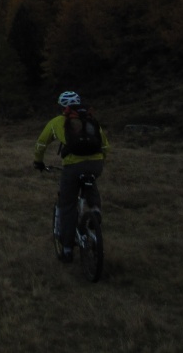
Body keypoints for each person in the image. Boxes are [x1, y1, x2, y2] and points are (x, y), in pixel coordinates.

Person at [33, 91, 110, 263]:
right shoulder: (90, 120)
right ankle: (95, 210)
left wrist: (38, 161)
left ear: (62, 107)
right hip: (96, 163)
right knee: (90, 181)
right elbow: (105, 145)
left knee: (67, 205)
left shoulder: (57, 122)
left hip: (73, 166)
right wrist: (99, 161)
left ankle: (67, 249)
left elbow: (41, 143)